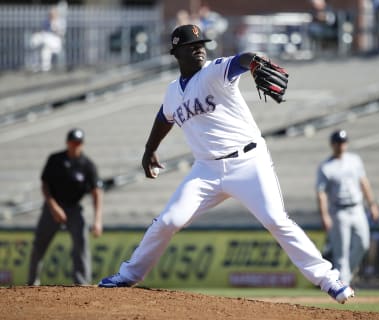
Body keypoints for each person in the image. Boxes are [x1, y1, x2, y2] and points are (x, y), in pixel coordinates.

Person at [98, 24, 354, 304]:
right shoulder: (172, 92)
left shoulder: (214, 71)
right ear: (176, 53)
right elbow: (164, 117)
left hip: (248, 161)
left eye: (201, 44)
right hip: (206, 170)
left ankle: (330, 280)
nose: (199, 48)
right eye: (191, 46)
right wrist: (149, 149)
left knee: (276, 220)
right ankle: (128, 275)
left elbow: (242, 59)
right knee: (169, 220)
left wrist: (254, 61)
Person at [28, 128, 103, 285]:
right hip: (52, 207)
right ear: (67, 142)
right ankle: (32, 282)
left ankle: (82, 283)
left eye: (78, 143)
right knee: (39, 244)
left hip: (74, 208)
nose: (75, 145)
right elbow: (45, 185)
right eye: (73, 142)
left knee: (81, 242)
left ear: (82, 144)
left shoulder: (88, 165)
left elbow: (97, 193)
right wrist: (53, 206)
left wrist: (97, 221)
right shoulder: (55, 160)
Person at [316, 129, 379, 285]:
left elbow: (364, 182)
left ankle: (344, 277)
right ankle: (342, 285)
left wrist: (372, 204)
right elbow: (321, 193)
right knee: (341, 253)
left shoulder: (354, 160)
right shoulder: (326, 166)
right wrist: (324, 215)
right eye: (338, 142)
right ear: (333, 145)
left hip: (357, 208)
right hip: (338, 211)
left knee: (363, 244)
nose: (341, 145)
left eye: (343, 142)